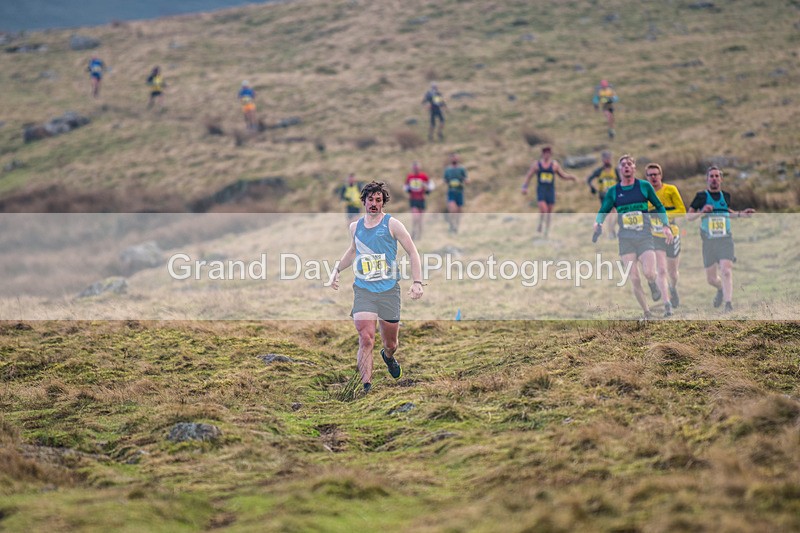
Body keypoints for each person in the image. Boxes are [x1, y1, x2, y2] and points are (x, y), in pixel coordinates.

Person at [328, 181, 424, 394]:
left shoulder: (392, 224)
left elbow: (413, 252)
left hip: (389, 290)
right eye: (370, 200)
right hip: (364, 289)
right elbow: (353, 250)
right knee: (366, 337)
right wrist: (336, 270)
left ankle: (388, 357)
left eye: (378, 200)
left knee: (391, 343)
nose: (373, 204)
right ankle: (367, 387)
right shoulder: (355, 226)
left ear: (383, 203)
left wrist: (417, 282)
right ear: (364, 201)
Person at [593, 154, 674, 320]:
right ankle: (647, 312)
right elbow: (603, 210)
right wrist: (598, 223)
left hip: (645, 236)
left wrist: (666, 226)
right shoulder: (614, 191)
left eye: (629, 164)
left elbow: (659, 206)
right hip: (626, 239)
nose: (626, 167)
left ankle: (653, 284)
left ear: (634, 168)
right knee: (634, 278)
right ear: (620, 169)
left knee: (650, 273)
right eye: (623, 165)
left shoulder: (644, 186)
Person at [686, 166, 755, 313]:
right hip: (709, 241)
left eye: (717, 176)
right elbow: (688, 217)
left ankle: (728, 304)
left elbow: (727, 212)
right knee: (711, 279)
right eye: (711, 176)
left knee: (726, 270)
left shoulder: (726, 196)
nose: (714, 179)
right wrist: (702, 211)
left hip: (725, 239)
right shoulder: (701, 197)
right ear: (707, 179)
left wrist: (742, 214)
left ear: (721, 179)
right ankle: (720, 289)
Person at [645, 163, 686, 308]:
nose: (653, 177)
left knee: (673, 272)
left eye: (656, 174)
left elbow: (682, 210)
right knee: (661, 270)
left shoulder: (670, 190)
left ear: (661, 175)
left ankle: (673, 288)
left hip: (672, 234)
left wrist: (664, 216)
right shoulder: (645, 193)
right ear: (647, 177)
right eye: (650, 175)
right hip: (655, 235)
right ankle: (666, 302)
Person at [521, 146, 577, 238]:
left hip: (550, 191)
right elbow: (529, 176)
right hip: (541, 191)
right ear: (542, 154)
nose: (546, 155)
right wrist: (524, 187)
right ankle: (540, 224)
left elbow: (562, 175)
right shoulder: (537, 165)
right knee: (544, 210)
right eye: (545, 153)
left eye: (548, 154)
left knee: (549, 212)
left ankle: (546, 231)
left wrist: (570, 177)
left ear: (550, 154)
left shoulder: (554, 165)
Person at [586, 150, 620, 238]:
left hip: (614, 195)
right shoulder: (599, 171)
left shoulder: (615, 170)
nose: (607, 160)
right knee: (609, 213)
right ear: (602, 159)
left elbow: (621, 181)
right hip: (604, 195)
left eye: (609, 158)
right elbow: (589, 179)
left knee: (616, 213)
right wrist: (592, 188)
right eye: (605, 158)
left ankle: (611, 230)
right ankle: (611, 233)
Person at [404, 161, 434, 240]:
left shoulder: (424, 176)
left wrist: (426, 187)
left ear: (419, 168)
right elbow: (405, 187)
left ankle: (419, 236)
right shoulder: (410, 177)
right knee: (415, 217)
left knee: (420, 220)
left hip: (422, 200)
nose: (416, 169)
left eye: (417, 167)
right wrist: (409, 189)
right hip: (413, 200)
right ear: (412, 168)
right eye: (414, 168)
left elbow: (431, 186)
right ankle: (413, 232)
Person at [443, 152, 468, 234]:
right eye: (452, 158)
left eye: (455, 157)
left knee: (459, 211)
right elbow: (444, 180)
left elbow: (466, 179)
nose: (454, 159)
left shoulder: (462, 169)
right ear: (450, 159)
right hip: (451, 192)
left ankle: (456, 226)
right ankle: (452, 224)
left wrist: (464, 180)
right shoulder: (448, 169)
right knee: (453, 209)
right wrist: (449, 182)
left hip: (460, 192)